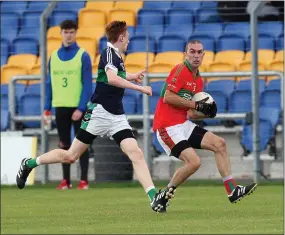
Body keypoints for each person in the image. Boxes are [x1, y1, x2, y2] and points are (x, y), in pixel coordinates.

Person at [16, 21, 167, 213]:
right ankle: (29, 163)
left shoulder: (116, 56)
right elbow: (112, 78)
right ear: (121, 37)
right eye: (127, 35)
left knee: (136, 153)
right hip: (99, 113)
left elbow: (113, 75)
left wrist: (132, 75)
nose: (129, 39)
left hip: (117, 116)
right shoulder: (109, 53)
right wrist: (140, 88)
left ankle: (154, 198)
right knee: (71, 156)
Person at [152, 40, 257, 208]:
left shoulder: (198, 80)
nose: (195, 55)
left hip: (183, 124)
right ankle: (164, 195)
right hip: (166, 126)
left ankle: (232, 190)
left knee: (219, 144)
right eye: (192, 52)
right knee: (194, 162)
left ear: (203, 55)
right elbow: (168, 97)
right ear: (185, 54)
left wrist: (206, 112)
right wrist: (196, 105)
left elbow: (190, 113)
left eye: (199, 52)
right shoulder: (180, 70)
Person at [43, 20, 92, 190]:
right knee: (63, 144)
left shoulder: (83, 55)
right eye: (66, 32)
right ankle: (66, 181)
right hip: (60, 106)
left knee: (82, 144)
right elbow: (50, 83)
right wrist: (46, 107)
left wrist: (81, 107)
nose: (69, 35)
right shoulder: (53, 57)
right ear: (61, 33)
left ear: (76, 33)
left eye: (71, 32)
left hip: (78, 107)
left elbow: (87, 85)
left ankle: (84, 180)